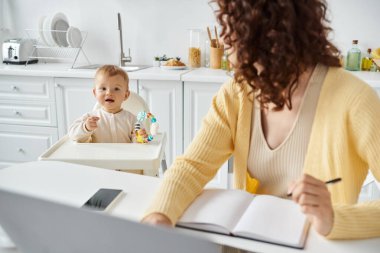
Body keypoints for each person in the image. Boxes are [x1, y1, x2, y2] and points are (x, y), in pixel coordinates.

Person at [142, 0, 380, 240]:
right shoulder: (237, 93)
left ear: (270, 34)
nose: (225, 43)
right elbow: (193, 166)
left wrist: (335, 220)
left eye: (233, 31)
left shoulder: (356, 101)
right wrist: (159, 216)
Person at [68, 65, 136, 143]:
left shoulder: (132, 120)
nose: (109, 93)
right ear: (95, 93)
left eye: (116, 89)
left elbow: (141, 140)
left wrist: (138, 138)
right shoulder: (90, 118)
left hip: (125, 155)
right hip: (98, 155)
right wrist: (86, 127)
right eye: (103, 88)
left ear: (126, 95)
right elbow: (72, 134)